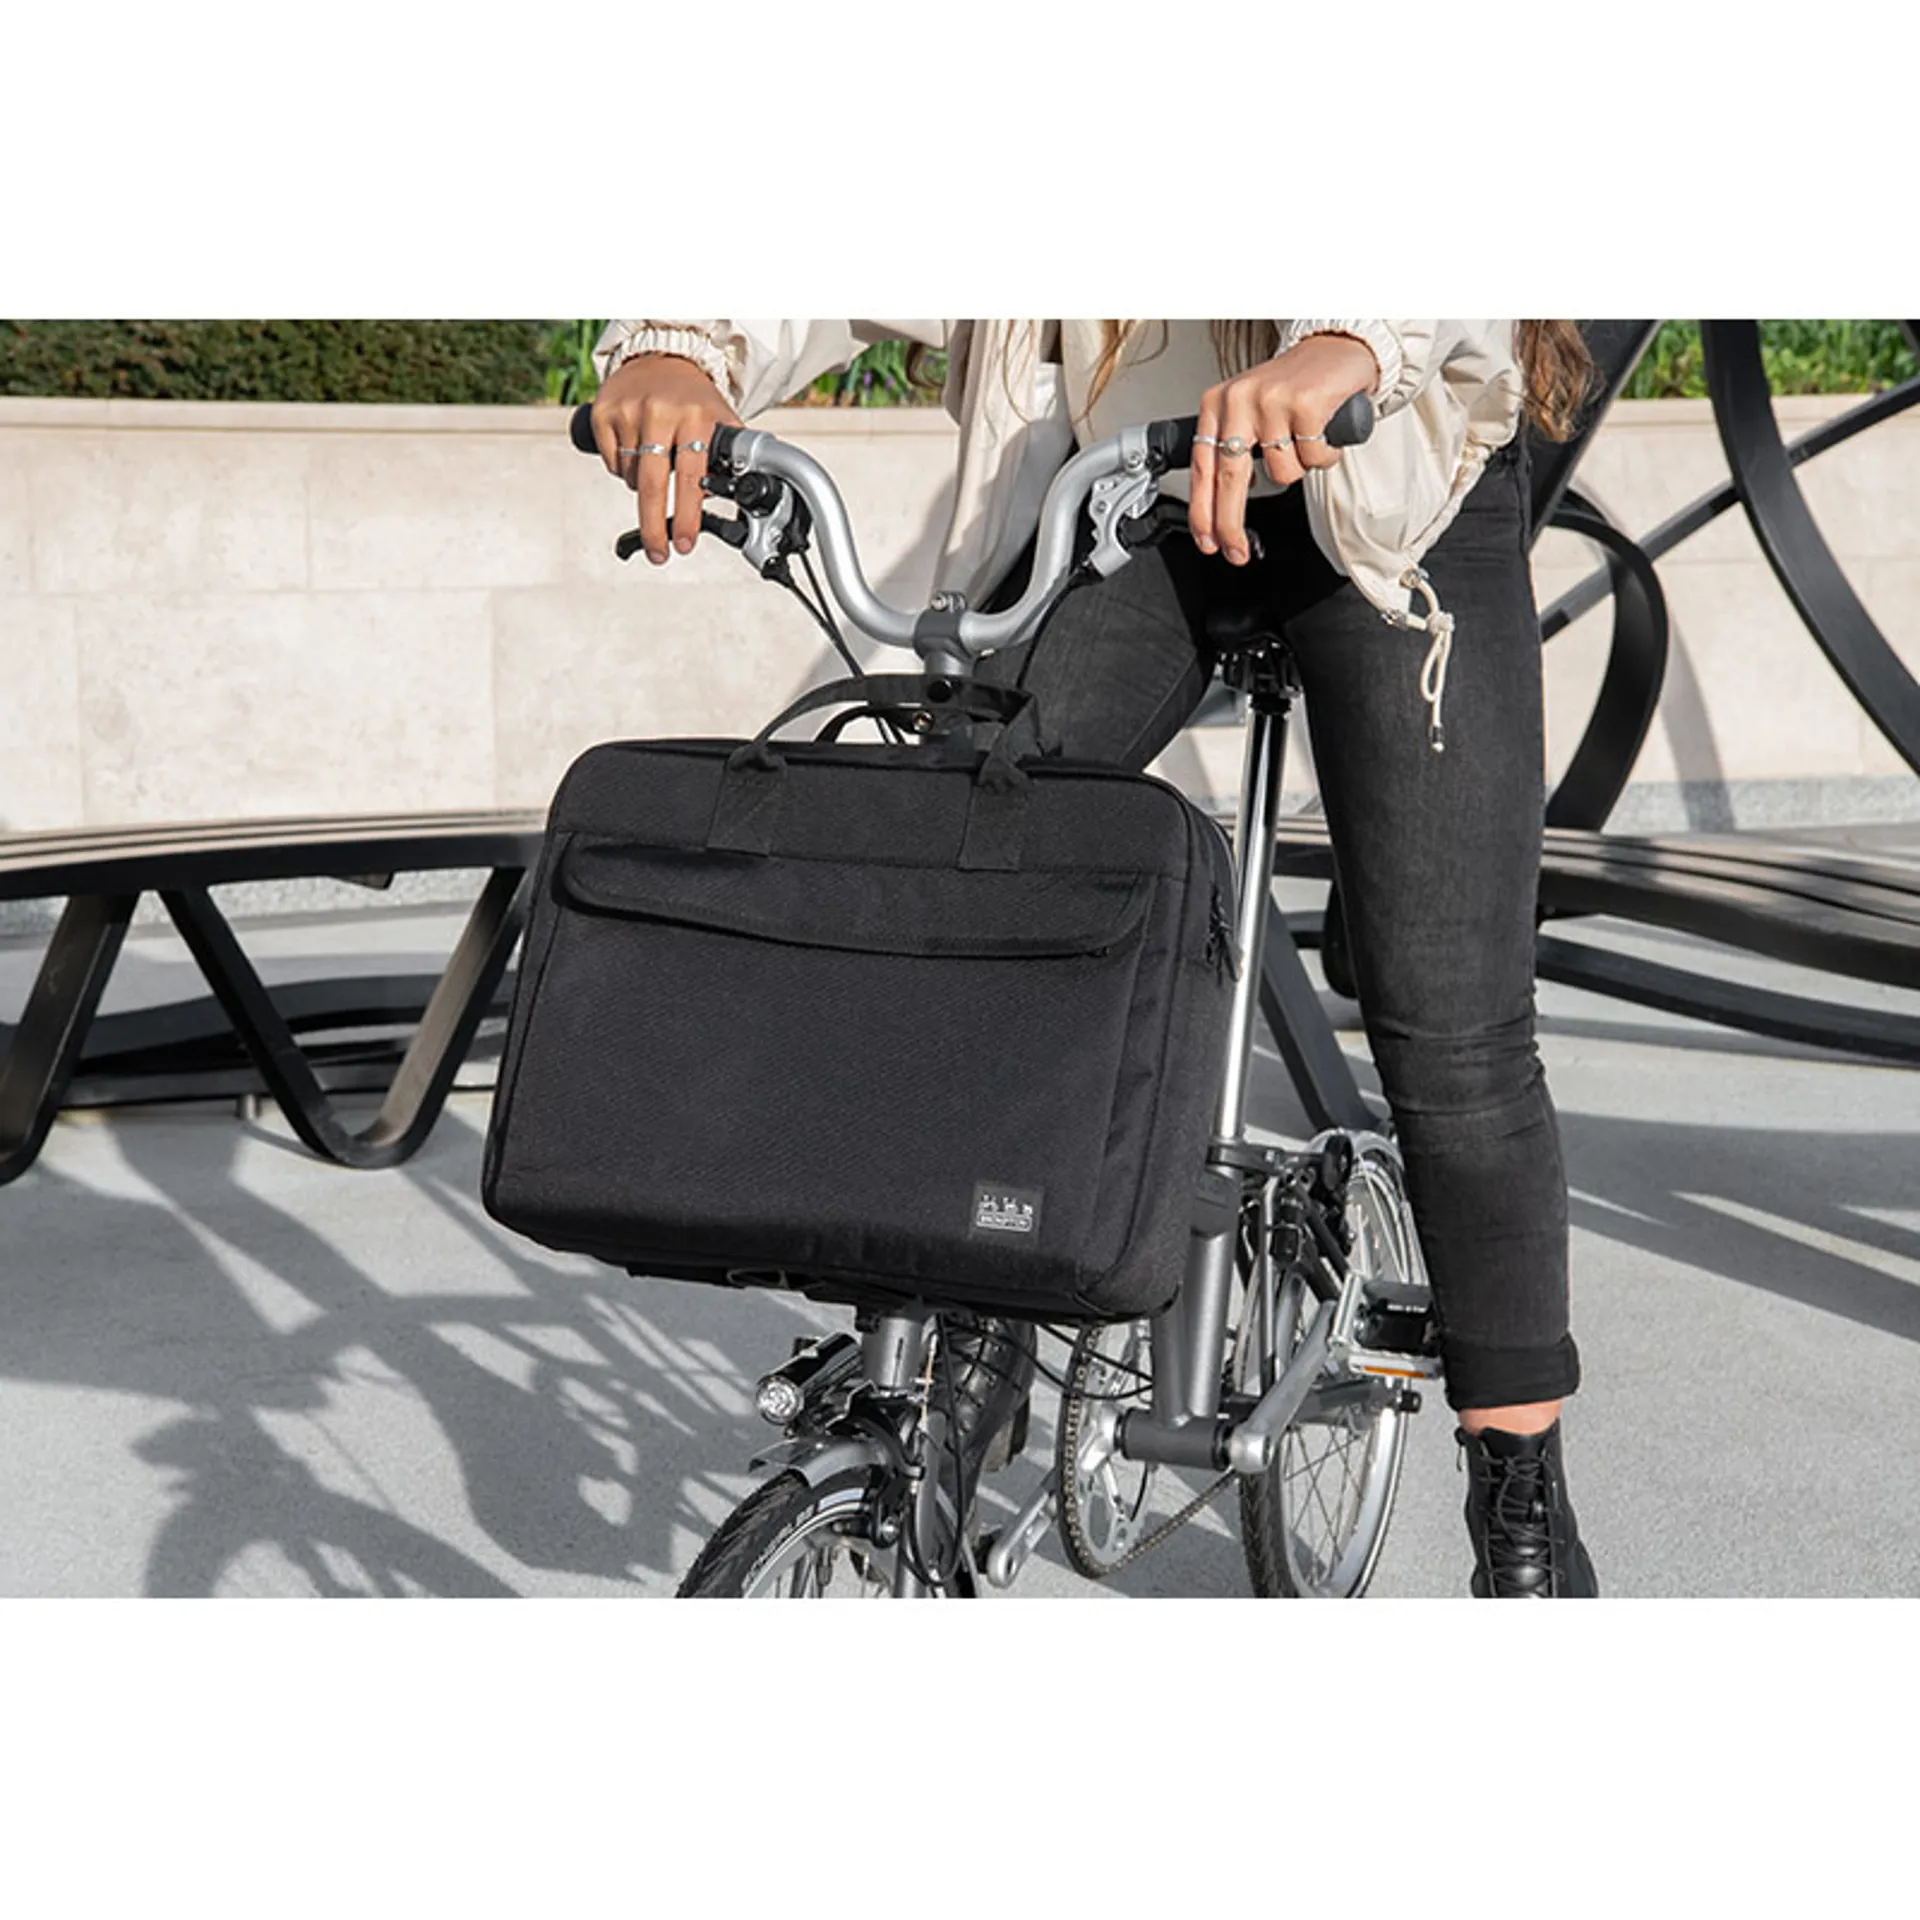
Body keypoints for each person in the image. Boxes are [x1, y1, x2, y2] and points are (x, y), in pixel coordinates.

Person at [587, 318, 1600, 1599]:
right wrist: (681, 346)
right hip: (1146, 489)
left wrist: (1351, 341)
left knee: (1453, 1040)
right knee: (974, 912)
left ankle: (1519, 1503)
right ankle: (976, 1352)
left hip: (1390, 485)